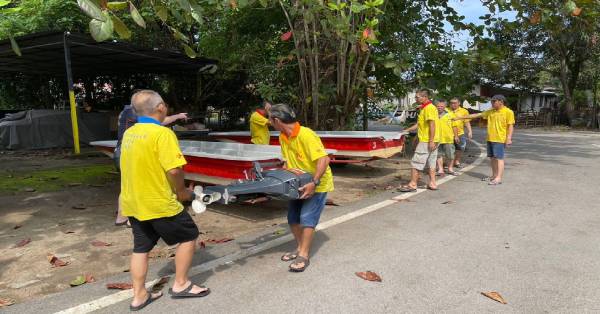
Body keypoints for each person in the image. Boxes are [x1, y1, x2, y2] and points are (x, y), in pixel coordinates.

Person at [120, 90, 209, 311]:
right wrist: (182, 193)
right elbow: (175, 170)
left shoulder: (130, 133)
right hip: (159, 202)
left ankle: (139, 295)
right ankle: (181, 284)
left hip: (134, 203)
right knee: (189, 235)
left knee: (141, 248)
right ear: (160, 107)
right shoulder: (162, 134)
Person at [268, 103, 333, 272]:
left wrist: (314, 182)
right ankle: (299, 247)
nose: (269, 123)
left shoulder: (306, 134)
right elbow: (287, 160)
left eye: (270, 120)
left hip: (317, 183)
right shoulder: (283, 136)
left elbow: (324, 160)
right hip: (296, 182)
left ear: (276, 120)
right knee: (293, 218)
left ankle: (303, 255)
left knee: (307, 217)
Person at [114, 98, 188, 226]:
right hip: (136, 149)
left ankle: (122, 217)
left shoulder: (126, 112)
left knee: (129, 184)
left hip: (124, 148)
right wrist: (178, 116)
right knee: (142, 183)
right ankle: (137, 218)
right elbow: (161, 121)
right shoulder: (136, 111)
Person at [454, 94, 515, 185]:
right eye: (491, 101)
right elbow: (477, 115)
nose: (492, 103)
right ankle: (494, 176)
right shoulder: (491, 111)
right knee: (492, 158)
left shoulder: (508, 112)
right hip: (490, 138)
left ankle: (498, 178)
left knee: (499, 158)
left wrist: (509, 138)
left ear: (501, 102)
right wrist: (460, 117)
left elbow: (510, 125)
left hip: (500, 139)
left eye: (494, 101)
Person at [399, 89, 439, 192]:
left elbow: (432, 125)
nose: (415, 99)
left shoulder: (429, 108)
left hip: (427, 140)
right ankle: (433, 183)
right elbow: (420, 125)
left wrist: (430, 140)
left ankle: (413, 184)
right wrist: (407, 130)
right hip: (432, 140)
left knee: (416, 162)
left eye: (417, 97)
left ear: (424, 97)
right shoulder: (425, 108)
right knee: (431, 162)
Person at [435, 100, 459, 176]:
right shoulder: (433, 114)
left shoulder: (450, 114)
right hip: (437, 138)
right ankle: (440, 169)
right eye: (438, 106)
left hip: (448, 138)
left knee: (450, 155)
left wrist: (456, 136)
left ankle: (450, 168)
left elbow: (454, 126)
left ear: (445, 107)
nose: (439, 108)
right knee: (438, 155)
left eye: (441, 106)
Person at [448, 97, 472, 168]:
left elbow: (467, 122)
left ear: (459, 103)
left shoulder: (464, 111)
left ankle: (457, 161)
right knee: (449, 149)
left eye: (455, 103)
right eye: (451, 103)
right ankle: (448, 163)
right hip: (448, 133)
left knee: (460, 148)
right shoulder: (446, 110)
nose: (453, 104)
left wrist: (470, 131)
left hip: (460, 133)